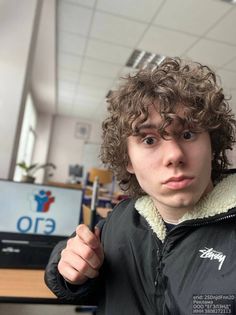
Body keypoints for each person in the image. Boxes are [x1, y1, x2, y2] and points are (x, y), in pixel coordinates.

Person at [45, 57, 236, 314]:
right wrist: (70, 268)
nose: (174, 155)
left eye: (188, 134)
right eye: (148, 140)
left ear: (211, 144)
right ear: (128, 160)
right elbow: (82, 275)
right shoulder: (121, 221)